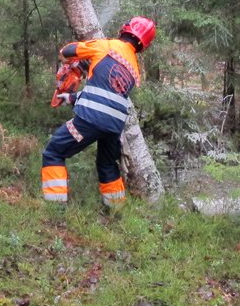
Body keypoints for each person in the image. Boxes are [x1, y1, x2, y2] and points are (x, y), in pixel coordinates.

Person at [41, 16, 156, 208]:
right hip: (113, 128)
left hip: (89, 121)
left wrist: (78, 60)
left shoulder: (106, 46)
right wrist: (70, 97)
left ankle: (55, 208)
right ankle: (116, 210)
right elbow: (106, 95)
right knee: (107, 164)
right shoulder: (134, 67)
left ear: (125, 29)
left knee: (54, 151)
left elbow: (67, 51)